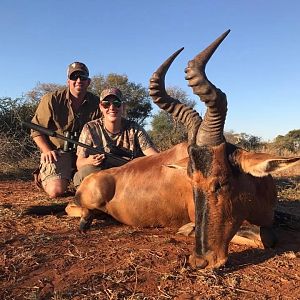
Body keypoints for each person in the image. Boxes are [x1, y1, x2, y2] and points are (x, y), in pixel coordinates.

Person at [30, 62, 101, 198]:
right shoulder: (51, 99)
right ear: (68, 81)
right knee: (56, 192)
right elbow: (36, 130)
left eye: (83, 77)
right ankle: (44, 175)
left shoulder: (97, 103)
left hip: (85, 154)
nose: (79, 80)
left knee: (98, 187)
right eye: (74, 77)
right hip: (58, 153)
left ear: (89, 81)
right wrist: (46, 150)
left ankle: (74, 177)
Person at [72, 87, 159, 189]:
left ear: (123, 106)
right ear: (100, 107)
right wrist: (89, 161)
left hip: (128, 176)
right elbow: (79, 163)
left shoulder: (134, 128)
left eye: (116, 103)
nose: (112, 107)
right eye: (106, 104)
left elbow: (155, 157)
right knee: (87, 172)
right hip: (101, 176)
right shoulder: (90, 128)